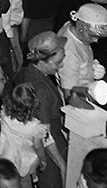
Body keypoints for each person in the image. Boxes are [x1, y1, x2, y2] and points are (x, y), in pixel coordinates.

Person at [12, 32, 68, 188]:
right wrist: (61, 164)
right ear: (42, 62)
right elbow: (44, 134)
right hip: (50, 150)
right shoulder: (41, 89)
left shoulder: (27, 71)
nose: (61, 66)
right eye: (57, 63)